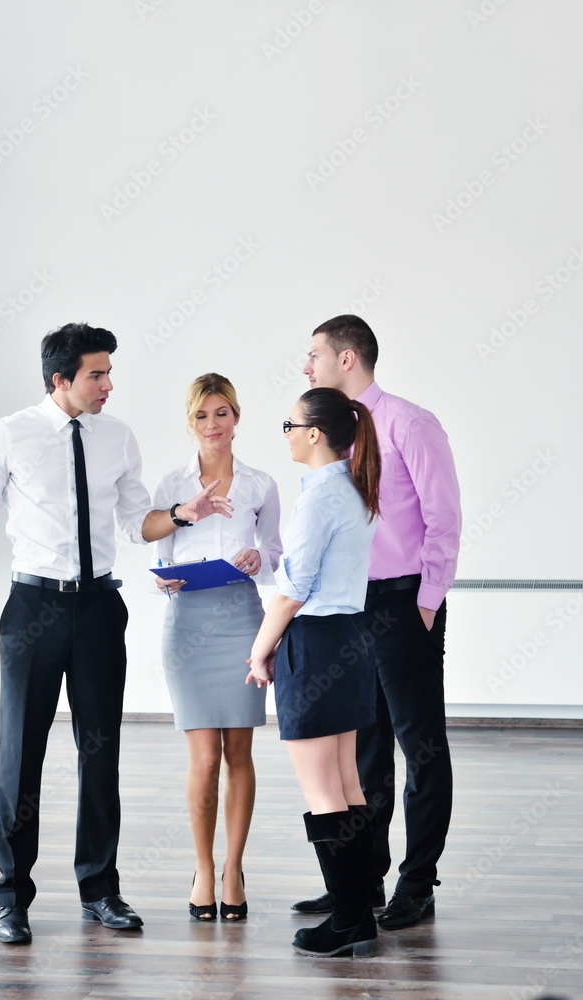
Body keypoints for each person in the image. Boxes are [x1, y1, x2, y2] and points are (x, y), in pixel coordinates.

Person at [0, 324, 233, 945]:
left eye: (108, 373)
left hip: (99, 608)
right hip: (34, 608)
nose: (108, 385)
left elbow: (135, 522)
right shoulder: (9, 435)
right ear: (60, 379)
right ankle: (12, 897)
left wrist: (181, 514)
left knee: (100, 752)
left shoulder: (117, 437)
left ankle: (100, 889)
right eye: (97, 374)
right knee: (20, 754)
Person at [292, 314, 462, 930]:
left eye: (314, 354)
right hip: (348, 608)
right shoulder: (331, 433)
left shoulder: (409, 424)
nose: (306, 366)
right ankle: (360, 884)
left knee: (420, 743)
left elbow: (444, 517)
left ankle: (417, 883)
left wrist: (428, 599)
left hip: (403, 601)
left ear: (346, 358)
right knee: (364, 751)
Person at [247, 387, 381, 957]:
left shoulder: (321, 497)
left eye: (289, 425)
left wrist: (260, 650)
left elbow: (293, 588)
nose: (285, 435)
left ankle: (349, 920)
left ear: (314, 433)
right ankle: (358, 912)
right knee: (347, 783)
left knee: (325, 790)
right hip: (348, 639)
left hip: (318, 644)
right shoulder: (352, 487)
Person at [152, 373, 281, 922]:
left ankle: (234, 868)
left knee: (239, 753)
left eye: (222, 412)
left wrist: (259, 559)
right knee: (204, 759)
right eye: (202, 415)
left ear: (236, 417)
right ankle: (203, 868)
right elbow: (156, 553)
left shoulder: (260, 484)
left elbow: (277, 554)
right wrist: (164, 578)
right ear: (190, 422)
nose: (213, 424)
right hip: (188, 624)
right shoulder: (172, 484)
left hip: (242, 619)